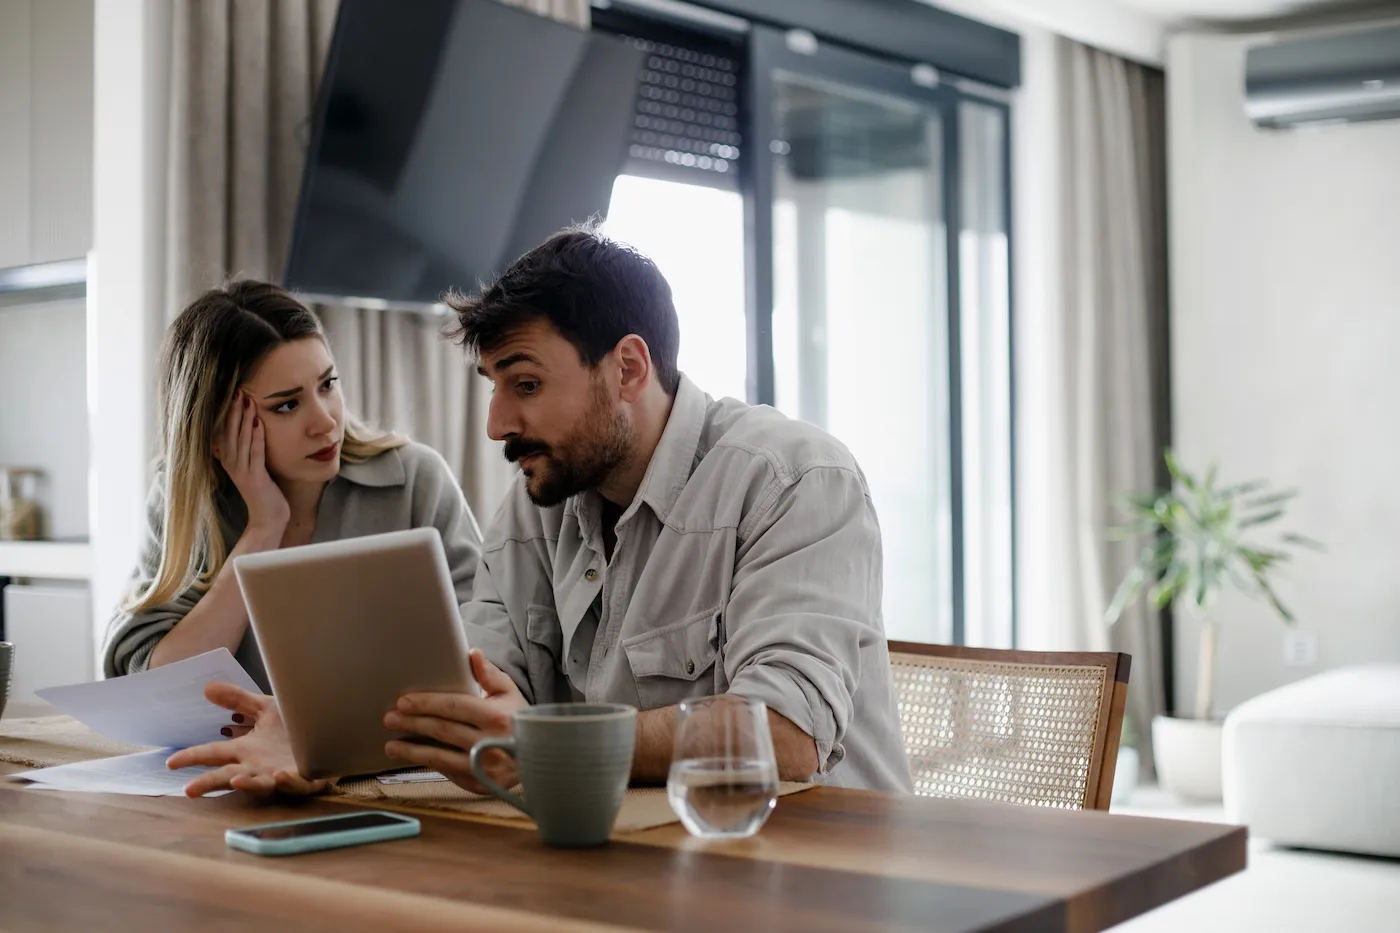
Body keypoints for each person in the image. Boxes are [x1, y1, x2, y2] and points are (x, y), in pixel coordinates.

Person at [171, 228, 913, 796]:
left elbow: (785, 736)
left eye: (523, 383)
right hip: (635, 868)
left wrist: (543, 740)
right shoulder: (539, 504)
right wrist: (320, 741)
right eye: (494, 385)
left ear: (627, 367)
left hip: (812, 879)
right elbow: (471, 689)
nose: (497, 423)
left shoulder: (793, 479)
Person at [103, 280, 483, 707]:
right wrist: (263, 529)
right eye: (286, 405)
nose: (324, 422)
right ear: (216, 429)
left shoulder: (415, 479)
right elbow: (156, 686)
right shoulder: (189, 502)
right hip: (235, 761)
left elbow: (484, 647)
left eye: (327, 384)